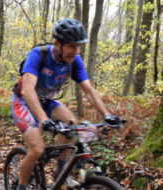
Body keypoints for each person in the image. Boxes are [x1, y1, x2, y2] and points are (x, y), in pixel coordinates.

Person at [11, 18, 123, 190]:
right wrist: (44, 120)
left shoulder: (74, 61)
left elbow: (89, 91)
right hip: (23, 102)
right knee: (37, 150)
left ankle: (61, 170)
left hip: (46, 101)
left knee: (71, 123)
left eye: (78, 46)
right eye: (71, 46)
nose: (76, 51)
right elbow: (27, 90)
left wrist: (107, 115)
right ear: (57, 44)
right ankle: (20, 186)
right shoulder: (38, 54)